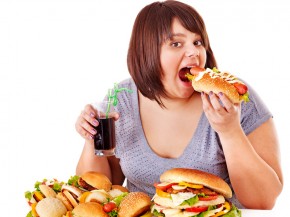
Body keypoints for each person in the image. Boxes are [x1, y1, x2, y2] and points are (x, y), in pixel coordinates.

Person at [75, 0, 283, 209]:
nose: (194, 52)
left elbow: (263, 201)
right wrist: (92, 138)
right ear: (146, 52)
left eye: (198, 42)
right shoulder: (121, 98)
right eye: (176, 44)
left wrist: (230, 131)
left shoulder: (233, 98)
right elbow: (98, 193)